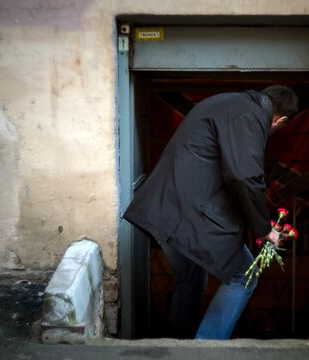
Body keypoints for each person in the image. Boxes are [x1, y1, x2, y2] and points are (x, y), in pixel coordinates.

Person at [122, 85, 299, 339]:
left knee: (191, 278)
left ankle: (179, 344)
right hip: (191, 214)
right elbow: (244, 176)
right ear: (280, 120)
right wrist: (264, 229)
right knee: (244, 276)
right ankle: (207, 346)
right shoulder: (250, 116)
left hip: (165, 209)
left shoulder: (224, 101)